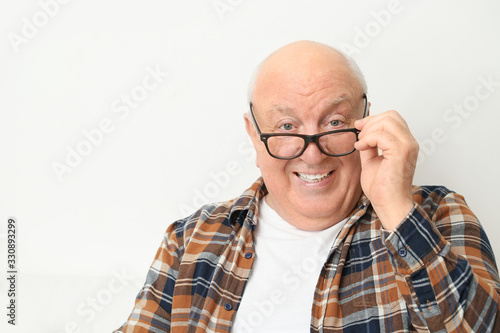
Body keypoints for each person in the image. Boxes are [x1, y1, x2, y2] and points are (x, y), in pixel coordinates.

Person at [115, 41, 500, 332]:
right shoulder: (190, 239)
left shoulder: (437, 213)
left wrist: (398, 211)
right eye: (286, 127)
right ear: (254, 134)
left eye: (334, 122)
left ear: (366, 120)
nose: (312, 156)